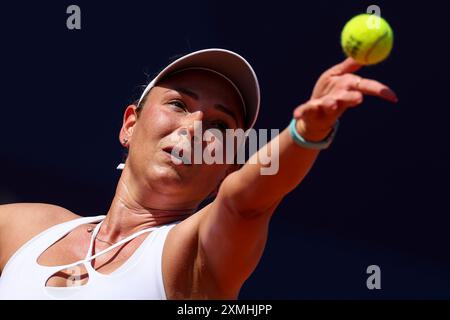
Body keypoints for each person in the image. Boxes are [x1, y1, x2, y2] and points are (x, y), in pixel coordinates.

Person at [0, 48, 397, 299]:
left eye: (221, 127)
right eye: (178, 103)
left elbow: (246, 203)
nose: (193, 128)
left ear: (227, 164)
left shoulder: (189, 255)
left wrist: (306, 133)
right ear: (129, 125)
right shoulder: (24, 228)